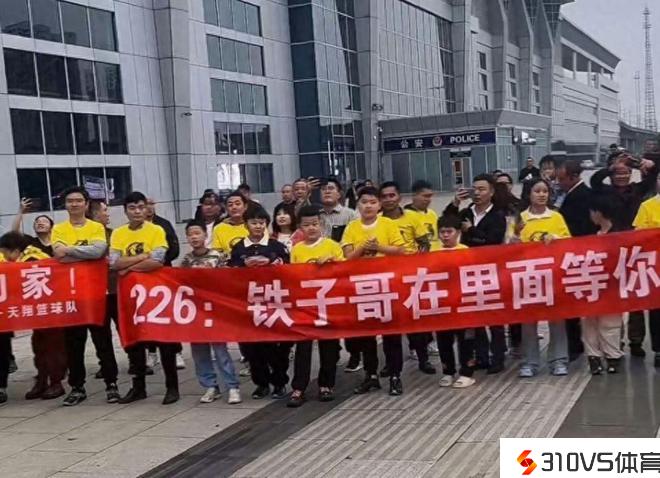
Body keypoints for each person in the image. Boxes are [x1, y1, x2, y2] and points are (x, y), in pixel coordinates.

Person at [51, 186, 120, 406]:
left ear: (86, 204)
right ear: (65, 205)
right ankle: (77, 387)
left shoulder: (96, 227)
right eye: (70, 201)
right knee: (73, 345)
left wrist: (70, 250)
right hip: (71, 297)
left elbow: (98, 251)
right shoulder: (59, 229)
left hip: (96, 294)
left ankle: (111, 384)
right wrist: (83, 253)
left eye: (78, 200)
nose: (74, 204)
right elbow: (58, 256)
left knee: (103, 342)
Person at [110, 191, 180, 405]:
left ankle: (172, 387)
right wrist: (142, 256)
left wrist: (128, 267)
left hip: (156, 293)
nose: (137, 211)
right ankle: (138, 386)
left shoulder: (156, 230)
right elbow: (114, 263)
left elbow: (157, 261)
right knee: (135, 340)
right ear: (125, 211)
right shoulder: (118, 233)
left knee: (164, 340)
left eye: (141, 207)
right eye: (132, 208)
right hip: (130, 294)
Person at [591, 154, 658, 357]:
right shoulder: (604, 191)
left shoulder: (637, 190)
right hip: (612, 248)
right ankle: (615, 341)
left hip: (637, 250)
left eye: (625, 173)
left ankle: (635, 340)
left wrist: (642, 164)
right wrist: (613, 167)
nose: (622, 176)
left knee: (637, 295)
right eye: (618, 173)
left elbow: (652, 176)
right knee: (615, 296)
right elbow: (595, 180)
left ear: (631, 174)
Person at [341, 186, 406, 396]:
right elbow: (347, 257)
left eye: (372, 202)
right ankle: (371, 375)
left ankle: (395, 375)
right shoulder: (352, 227)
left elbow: (400, 250)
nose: (368, 206)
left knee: (391, 335)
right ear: (357, 205)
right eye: (364, 202)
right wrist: (363, 248)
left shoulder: (388, 224)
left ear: (379, 205)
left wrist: (379, 248)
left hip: (387, 286)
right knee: (366, 335)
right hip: (362, 288)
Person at [444, 174, 507, 374]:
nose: (477, 193)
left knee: (494, 318)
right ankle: (481, 356)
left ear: (491, 192)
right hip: (468, 271)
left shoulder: (497, 215)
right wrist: (455, 203)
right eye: (475, 189)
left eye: (482, 189)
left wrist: (471, 231)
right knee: (475, 317)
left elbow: (493, 241)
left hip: (491, 270)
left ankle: (498, 358)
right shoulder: (466, 212)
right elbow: (446, 223)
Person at [229, 207, 291, 400]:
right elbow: (230, 272)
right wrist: (243, 265)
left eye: (261, 222)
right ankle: (261, 383)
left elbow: (288, 267)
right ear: (246, 224)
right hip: (248, 303)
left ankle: (279, 382)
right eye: (253, 222)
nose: (258, 226)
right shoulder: (239, 247)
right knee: (251, 347)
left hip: (273, 302)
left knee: (275, 347)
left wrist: (271, 262)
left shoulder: (276, 246)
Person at [511, 178, 570, 377]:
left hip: (552, 276)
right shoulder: (520, 218)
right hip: (527, 276)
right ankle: (529, 362)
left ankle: (559, 360)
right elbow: (508, 247)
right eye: (537, 191)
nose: (542, 194)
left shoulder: (556, 217)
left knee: (557, 320)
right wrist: (514, 239)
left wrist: (556, 239)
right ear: (528, 194)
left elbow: (570, 243)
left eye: (545, 191)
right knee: (528, 321)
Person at [287, 205, 344, 407]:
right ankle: (299, 387)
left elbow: (345, 272)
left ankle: (326, 385)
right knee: (303, 348)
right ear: (300, 228)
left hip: (328, 305)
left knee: (329, 347)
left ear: (321, 224)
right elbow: (292, 276)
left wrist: (332, 261)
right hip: (305, 305)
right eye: (306, 225)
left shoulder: (332, 246)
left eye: (314, 224)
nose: (311, 228)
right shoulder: (297, 249)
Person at [181, 220, 242, 404]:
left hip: (215, 310)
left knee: (220, 350)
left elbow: (227, 280)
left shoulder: (218, 256)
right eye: (190, 234)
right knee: (199, 352)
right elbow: (179, 283)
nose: (194, 237)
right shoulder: (186, 260)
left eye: (197, 233)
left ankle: (232, 386)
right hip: (195, 311)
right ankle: (210, 386)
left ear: (205, 235)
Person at [379, 181, 435, 376]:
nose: (388, 200)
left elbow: (424, 243)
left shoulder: (412, 217)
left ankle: (423, 359)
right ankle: (390, 364)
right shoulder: (377, 221)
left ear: (399, 197)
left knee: (415, 321)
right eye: (384, 196)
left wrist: (418, 263)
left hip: (410, 276)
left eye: (392, 195)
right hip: (386, 278)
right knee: (389, 323)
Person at [12, 201, 67, 399]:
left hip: (57, 301)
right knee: (38, 343)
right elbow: (14, 235)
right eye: (37, 221)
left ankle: (56, 382)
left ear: (52, 226)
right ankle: (41, 379)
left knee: (56, 343)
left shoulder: (59, 244)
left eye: (44, 221)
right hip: (36, 303)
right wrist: (20, 212)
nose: (40, 223)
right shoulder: (30, 244)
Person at [0, 232, 60, 403]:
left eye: (6, 253)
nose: (5, 257)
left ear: (15, 250)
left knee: (52, 348)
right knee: (39, 347)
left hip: (50, 313)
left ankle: (55, 383)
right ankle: (42, 380)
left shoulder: (33, 259)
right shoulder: (24, 257)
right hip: (38, 316)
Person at [557, 160, 596, 360]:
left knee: (574, 303)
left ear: (573, 177)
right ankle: (575, 343)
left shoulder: (582, 196)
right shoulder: (568, 195)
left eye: (561, 179)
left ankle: (576, 345)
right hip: (571, 254)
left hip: (577, 255)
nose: (559, 182)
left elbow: (581, 228)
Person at [582, 194, 625, 375]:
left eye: (592, 212)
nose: (590, 215)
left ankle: (613, 356)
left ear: (598, 212)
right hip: (591, 285)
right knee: (589, 322)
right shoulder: (590, 235)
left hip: (612, 286)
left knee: (610, 323)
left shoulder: (620, 234)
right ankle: (593, 357)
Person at [212, 191, 251, 376]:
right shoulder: (219, 228)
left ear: (245, 206)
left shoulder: (253, 223)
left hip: (253, 279)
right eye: (230, 204)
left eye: (238, 203)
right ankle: (247, 358)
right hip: (231, 279)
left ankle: (258, 359)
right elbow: (216, 252)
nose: (234, 207)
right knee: (239, 321)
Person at [434, 215, 475, 388]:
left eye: (449, 232)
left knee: (465, 339)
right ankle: (447, 371)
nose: (445, 235)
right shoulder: (433, 252)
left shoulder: (465, 251)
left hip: (463, 302)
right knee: (444, 339)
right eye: (442, 232)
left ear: (458, 232)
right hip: (442, 302)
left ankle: (467, 372)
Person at [144, 198, 184, 370]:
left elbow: (174, 249)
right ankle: (152, 352)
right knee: (148, 314)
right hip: (143, 276)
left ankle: (176, 351)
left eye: (151, 204)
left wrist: (158, 261)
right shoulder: (134, 228)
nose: (148, 208)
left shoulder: (163, 224)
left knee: (168, 313)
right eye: (145, 205)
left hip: (163, 272)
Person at [632, 174, 660, 367]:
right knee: (657, 310)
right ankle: (658, 349)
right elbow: (639, 236)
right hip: (656, 267)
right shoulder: (647, 206)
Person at [404, 180, 440, 252]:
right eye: (425, 196)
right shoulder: (405, 215)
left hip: (435, 255)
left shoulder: (432, 214)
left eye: (430, 196)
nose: (428, 200)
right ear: (414, 195)